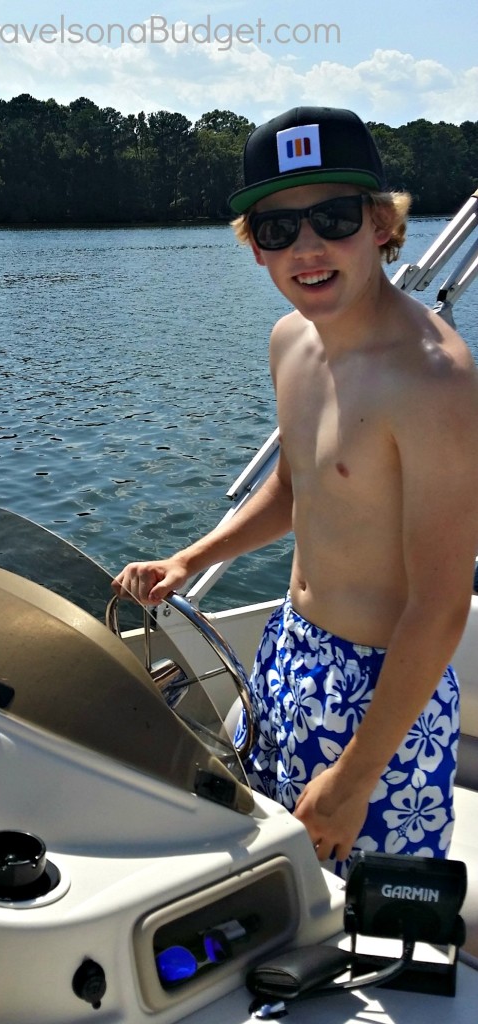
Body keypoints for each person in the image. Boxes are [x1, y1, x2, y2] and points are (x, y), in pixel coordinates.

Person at [112, 106, 478, 874]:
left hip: (384, 698)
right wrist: (192, 558)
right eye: (277, 229)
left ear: (381, 224)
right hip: (288, 650)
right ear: (255, 249)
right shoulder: (291, 342)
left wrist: (356, 776)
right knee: (276, 877)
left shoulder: (432, 380)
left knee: (371, 934)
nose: (306, 248)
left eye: (333, 218)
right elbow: (297, 486)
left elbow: (440, 607)